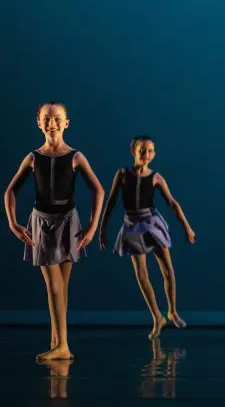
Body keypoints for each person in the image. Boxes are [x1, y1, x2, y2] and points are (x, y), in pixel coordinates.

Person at [4, 102, 105, 360]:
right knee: (54, 286)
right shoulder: (33, 157)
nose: (52, 123)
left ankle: (61, 344)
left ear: (66, 122)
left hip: (68, 222)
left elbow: (98, 189)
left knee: (62, 287)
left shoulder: (75, 157)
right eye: (46, 119)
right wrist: (13, 223)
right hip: (42, 223)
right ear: (38, 122)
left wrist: (93, 227)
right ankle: (59, 343)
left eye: (57, 118)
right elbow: (10, 191)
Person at [99, 135, 197, 339]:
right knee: (141, 274)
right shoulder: (122, 174)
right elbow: (111, 202)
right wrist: (102, 229)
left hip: (151, 223)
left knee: (167, 270)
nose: (146, 154)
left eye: (151, 150)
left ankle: (172, 311)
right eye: (142, 150)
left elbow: (172, 203)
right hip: (132, 225)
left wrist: (187, 227)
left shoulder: (156, 177)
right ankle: (157, 317)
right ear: (132, 151)